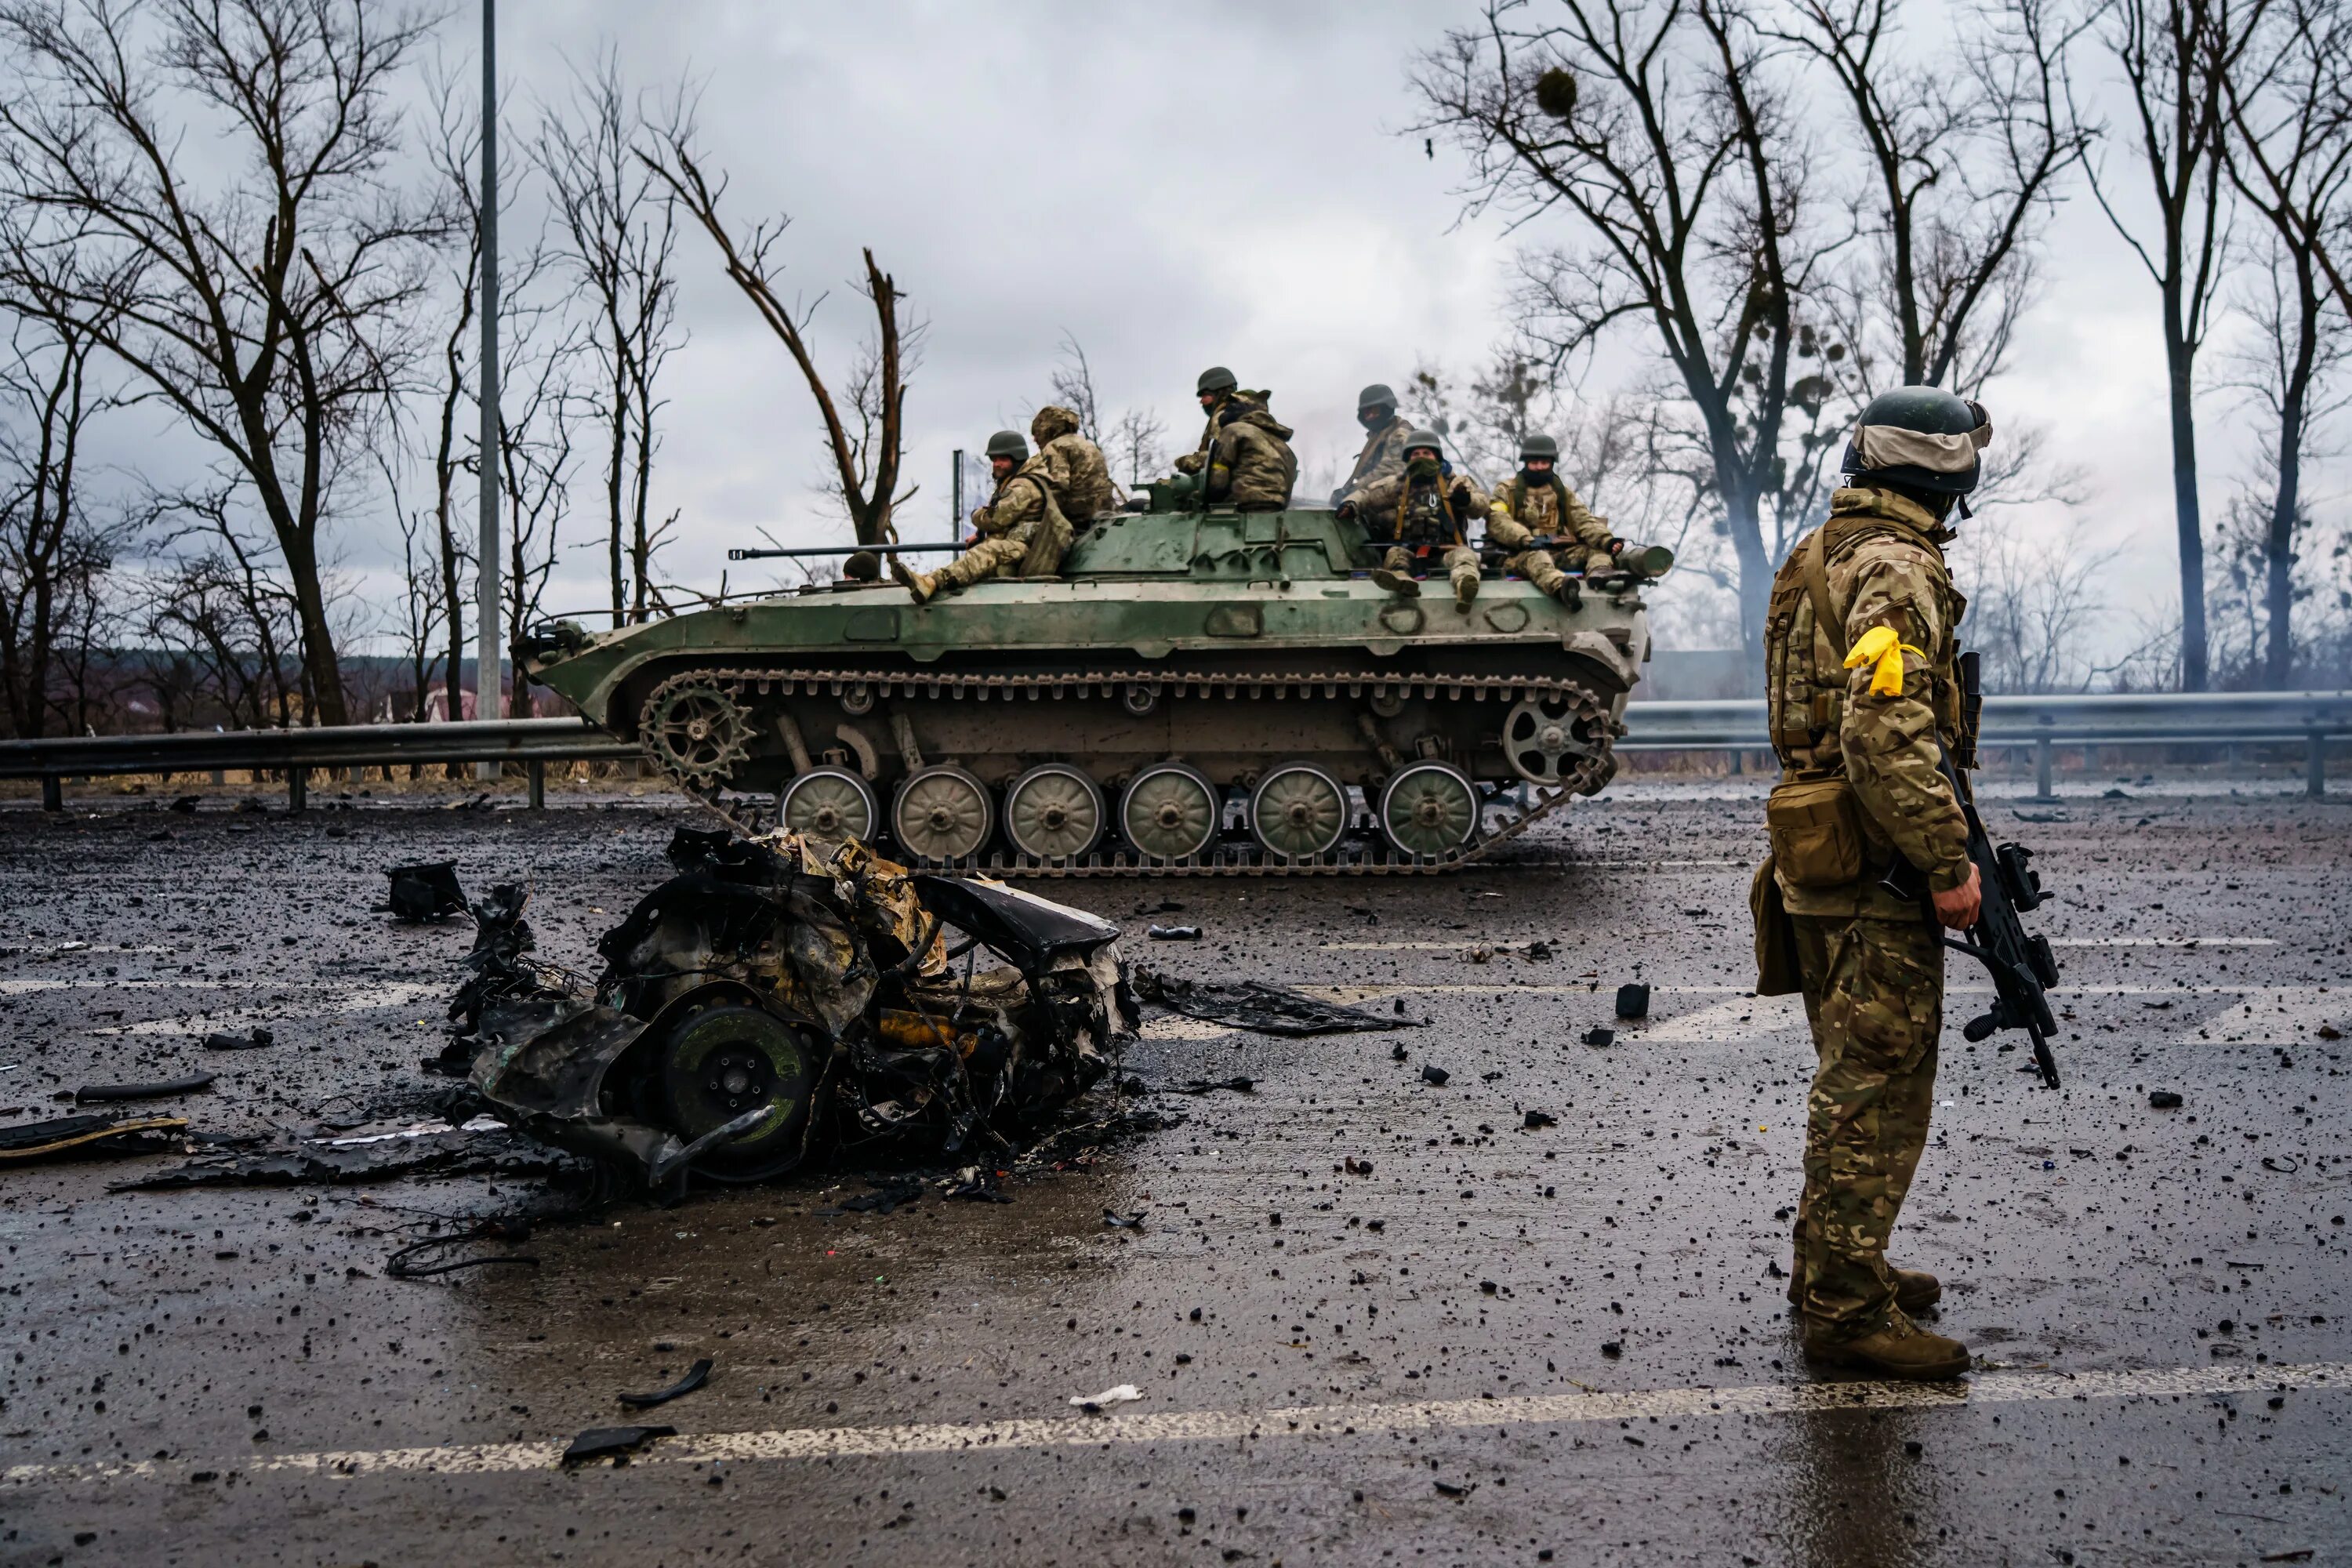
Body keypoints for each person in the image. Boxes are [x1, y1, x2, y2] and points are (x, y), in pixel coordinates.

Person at [1760, 384, 1992, 1381]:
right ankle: (1845, 1313)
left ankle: (1840, 1267)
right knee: (1877, 1082)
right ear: (1943, 473)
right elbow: (1882, 729)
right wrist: (1948, 862)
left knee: (1854, 1071)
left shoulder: (1821, 549)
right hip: (1877, 862)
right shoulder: (1898, 567)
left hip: (1825, 850)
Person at [890, 429, 1071, 604]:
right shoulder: (1012, 481)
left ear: (1017, 459)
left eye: (1003, 459)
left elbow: (995, 519)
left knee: (988, 551)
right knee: (986, 548)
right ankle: (932, 580)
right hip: (1016, 546)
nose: (997, 464)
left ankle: (932, 582)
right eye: (994, 459)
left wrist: (977, 515)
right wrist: (981, 534)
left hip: (1028, 550)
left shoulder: (1023, 486)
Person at [1338, 429, 1485, 610]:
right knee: (1394, 555)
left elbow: (1481, 506)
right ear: (1408, 459)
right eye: (1416, 454)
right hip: (1411, 551)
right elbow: (1368, 495)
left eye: (1426, 453)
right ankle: (1403, 582)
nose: (1421, 457)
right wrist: (1351, 504)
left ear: (1437, 457)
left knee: (1465, 557)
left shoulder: (1455, 483)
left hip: (1447, 550)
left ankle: (1465, 586)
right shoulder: (1398, 484)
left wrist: (1466, 500)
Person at [1485, 433, 1624, 606]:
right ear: (1526, 463)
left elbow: (1582, 519)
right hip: (1518, 555)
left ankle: (1599, 575)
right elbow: (1498, 521)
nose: (1539, 467)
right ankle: (1563, 588)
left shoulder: (1561, 492)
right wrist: (1525, 539)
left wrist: (1607, 540)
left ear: (1551, 464)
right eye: (1534, 463)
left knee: (1599, 551)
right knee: (1537, 558)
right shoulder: (1506, 490)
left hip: (1557, 552)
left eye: (1544, 463)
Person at [1172, 366, 1269, 480]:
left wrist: (1186, 461)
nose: (1201, 401)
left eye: (1205, 395)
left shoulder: (1224, 416)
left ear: (1219, 393)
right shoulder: (1253, 417)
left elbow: (1219, 456)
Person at [1030, 405, 1114, 527]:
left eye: (1036, 433)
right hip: (1103, 511)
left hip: (1077, 516)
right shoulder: (1086, 444)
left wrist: (1038, 512)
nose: (1035, 439)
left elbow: (1058, 485)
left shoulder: (1055, 447)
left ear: (1046, 430)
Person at [1330, 382, 1414, 505]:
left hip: (1395, 503)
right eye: (1366, 413)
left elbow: (1391, 471)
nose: (1370, 416)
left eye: (1374, 411)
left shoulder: (1399, 434)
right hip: (1379, 498)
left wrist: (1353, 490)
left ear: (1387, 408)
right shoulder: (1379, 435)